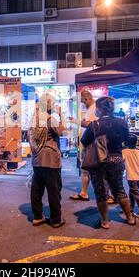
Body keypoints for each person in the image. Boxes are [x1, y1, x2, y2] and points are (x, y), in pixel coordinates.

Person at [81, 97, 136, 229]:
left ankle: (105, 221)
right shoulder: (122, 123)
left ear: (99, 109)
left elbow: (84, 141)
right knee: (119, 189)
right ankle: (129, 217)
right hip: (117, 159)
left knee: (101, 192)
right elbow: (126, 139)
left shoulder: (94, 125)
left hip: (98, 161)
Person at [69, 90, 115, 202]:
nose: (82, 104)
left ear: (86, 99)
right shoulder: (91, 109)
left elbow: (92, 125)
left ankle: (109, 195)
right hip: (91, 143)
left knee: (101, 170)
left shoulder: (94, 108)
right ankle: (84, 193)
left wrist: (76, 121)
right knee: (85, 168)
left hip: (96, 145)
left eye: (82, 102)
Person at [29, 94, 66, 228]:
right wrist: (61, 115)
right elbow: (62, 131)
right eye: (53, 104)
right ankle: (56, 219)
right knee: (53, 189)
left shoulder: (34, 118)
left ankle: (38, 216)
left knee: (37, 189)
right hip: (50, 158)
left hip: (37, 158)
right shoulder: (49, 119)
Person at [122, 135, 139, 219]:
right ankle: (131, 208)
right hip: (138, 176)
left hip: (131, 177)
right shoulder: (138, 152)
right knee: (132, 192)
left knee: (135, 194)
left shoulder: (125, 151)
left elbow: (121, 160)